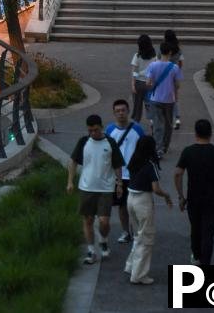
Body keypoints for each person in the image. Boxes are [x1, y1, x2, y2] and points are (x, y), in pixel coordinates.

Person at [68, 114, 125, 265]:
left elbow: (118, 165)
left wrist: (119, 184)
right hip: (86, 187)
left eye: (96, 130)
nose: (93, 133)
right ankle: (91, 250)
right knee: (87, 219)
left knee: (104, 221)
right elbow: (73, 162)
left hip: (105, 188)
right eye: (90, 130)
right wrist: (70, 182)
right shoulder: (84, 142)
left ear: (101, 127)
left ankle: (104, 240)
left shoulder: (110, 143)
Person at [174, 120, 214, 266]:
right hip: (212, 198)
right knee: (208, 231)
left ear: (195, 133)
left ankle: (196, 256)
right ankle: (206, 262)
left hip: (193, 197)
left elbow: (178, 174)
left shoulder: (188, 151)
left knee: (196, 228)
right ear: (210, 133)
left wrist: (181, 196)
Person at [124, 135, 172, 285]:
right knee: (146, 238)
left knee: (138, 235)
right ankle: (139, 275)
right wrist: (166, 195)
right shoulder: (150, 164)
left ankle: (131, 266)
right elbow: (155, 189)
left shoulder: (134, 161)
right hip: (143, 201)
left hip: (130, 199)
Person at [106, 99, 146, 244]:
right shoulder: (109, 130)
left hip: (135, 174)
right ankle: (126, 232)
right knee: (122, 206)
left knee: (135, 206)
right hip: (118, 175)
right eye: (118, 111)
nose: (121, 113)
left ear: (128, 111)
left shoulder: (138, 129)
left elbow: (145, 149)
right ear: (114, 113)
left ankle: (137, 232)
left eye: (123, 110)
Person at [144, 41, 180, 155]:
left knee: (157, 125)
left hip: (155, 99)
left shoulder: (153, 65)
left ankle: (158, 148)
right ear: (170, 52)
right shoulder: (174, 67)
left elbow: (148, 83)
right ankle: (165, 146)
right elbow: (177, 85)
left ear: (160, 51)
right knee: (168, 125)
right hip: (169, 100)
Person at [130, 34, 157, 122]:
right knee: (149, 105)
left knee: (137, 107)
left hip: (139, 83)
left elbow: (134, 71)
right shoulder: (154, 56)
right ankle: (152, 122)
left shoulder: (137, 56)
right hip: (150, 83)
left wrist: (133, 84)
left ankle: (136, 124)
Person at [164, 30, 184, 130]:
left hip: (165, 75)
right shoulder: (178, 48)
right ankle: (177, 118)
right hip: (175, 74)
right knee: (175, 98)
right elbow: (181, 62)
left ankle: (168, 118)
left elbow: (160, 59)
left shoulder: (164, 48)